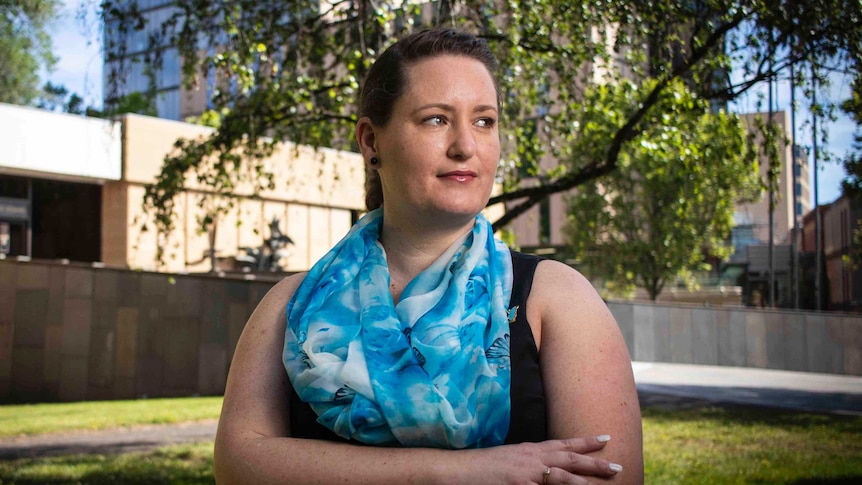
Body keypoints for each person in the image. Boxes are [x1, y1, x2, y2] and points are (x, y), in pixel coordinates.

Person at [214, 27, 643, 484]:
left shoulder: (556, 298)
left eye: (484, 121)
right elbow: (238, 464)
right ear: (371, 142)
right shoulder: (290, 305)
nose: (465, 145)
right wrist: (457, 472)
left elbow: (609, 479)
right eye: (436, 119)